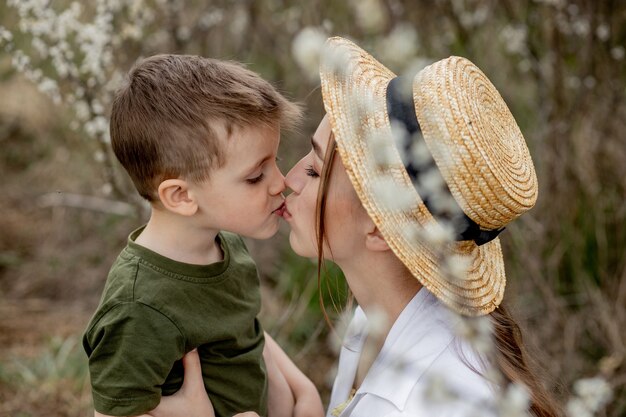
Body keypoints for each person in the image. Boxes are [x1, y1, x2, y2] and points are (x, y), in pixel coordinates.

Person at [149, 37, 562, 416]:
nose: (288, 181)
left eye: (313, 171)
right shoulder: (375, 321)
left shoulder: (423, 404)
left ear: (381, 229)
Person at [82, 54, 323, 417]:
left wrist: (302, 390)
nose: (282, 182)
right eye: (256, 176)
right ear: (181, 197)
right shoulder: (139, 307)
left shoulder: (225, 246)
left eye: (273, 162)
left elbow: (244, 332)